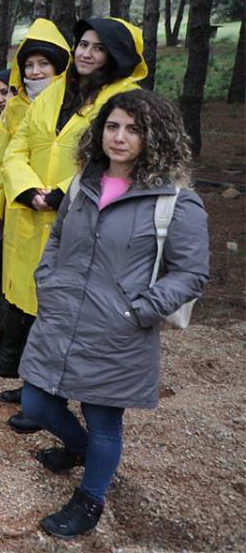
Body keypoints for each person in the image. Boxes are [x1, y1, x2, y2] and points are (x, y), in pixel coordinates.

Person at [18, 90, 208, 538]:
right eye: (112, 126)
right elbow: (59, 239)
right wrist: (48, 281)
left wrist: (138, 310)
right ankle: (80, 447)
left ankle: (91, 498)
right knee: (36, 402)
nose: (119, 138)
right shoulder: (84, 183)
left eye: (133, 129)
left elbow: (192, 273)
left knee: (105, 419)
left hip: (118, 328)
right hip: (63, 317)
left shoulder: (177, 202)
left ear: (154, 137)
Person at [0, 17, 149, 435]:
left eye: (98, 47)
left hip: (83, 216)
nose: (86, 53)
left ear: (117, 54)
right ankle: (34, 384)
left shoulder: (126, 99)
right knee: (26, 300)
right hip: (29, 213)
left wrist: (60, 192)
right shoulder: (54, 92)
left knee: (62, 308)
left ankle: (48, 397)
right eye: (83, 44)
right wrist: (26, 190)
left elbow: (116, 159)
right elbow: (15, 148)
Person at [0, 19, 70, 383]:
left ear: (60, 65)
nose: (35, 71)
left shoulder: (74, 103)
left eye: (43, 64)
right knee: (12, 285)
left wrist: (57, 193)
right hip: (18, 211)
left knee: (44, 291)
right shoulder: (15, 108)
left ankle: (33, 369)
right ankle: (8, 358)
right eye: (29, 65)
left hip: (58, 211)